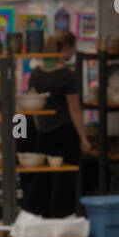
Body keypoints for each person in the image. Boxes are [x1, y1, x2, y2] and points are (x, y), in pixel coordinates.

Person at [23, 30, 90, 219]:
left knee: (43, 178)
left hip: (44, 132)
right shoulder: (66, 76)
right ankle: (60, 220)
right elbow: (74, 109)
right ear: (66, 48)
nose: (73, 54)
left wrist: (40, 127)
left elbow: (33, 104)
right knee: (64, 179)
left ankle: (33, 217)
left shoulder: (36, 74)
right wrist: (83, 137)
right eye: (73, 49)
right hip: (65, 132)